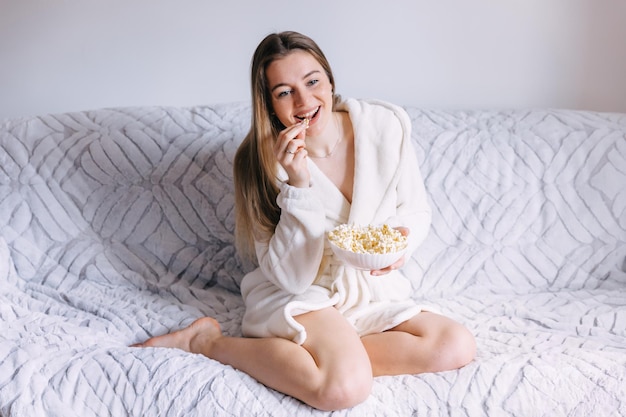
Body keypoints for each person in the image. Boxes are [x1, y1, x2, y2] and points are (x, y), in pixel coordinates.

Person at [133, 31, 476, 411]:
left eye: (312, 81)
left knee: (455, 345)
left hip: (366, 290)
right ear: (269, 104)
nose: (304, 101)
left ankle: (331, 357)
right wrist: (299, 185)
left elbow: (415, 210)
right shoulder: (260, 161)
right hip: (300, 293)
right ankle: (207, 342)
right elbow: (292, 277)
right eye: (283, 92)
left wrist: (400, 241)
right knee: (343, 389)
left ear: (330, 81)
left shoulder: (384, 126)